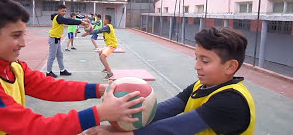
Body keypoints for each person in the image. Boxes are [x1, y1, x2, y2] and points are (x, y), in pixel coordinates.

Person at [0, 0, 145, 135]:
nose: (23, 43)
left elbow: (50, 87)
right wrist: (100, 113)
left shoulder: (13, 66)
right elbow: (34, 128)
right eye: (16, 35)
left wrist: (102, 89)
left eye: (23, 35)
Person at [84, 27, 256, 135]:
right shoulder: (202, 86)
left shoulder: (231, 100)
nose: (196, 66)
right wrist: (120, 127)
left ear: (230, 67)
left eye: (205, 61)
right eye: (196, 58)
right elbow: (165, 110)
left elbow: (174, 128)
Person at [46, 5, 86, 78]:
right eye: (62, 11)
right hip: (53, 38)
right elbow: (68, 21)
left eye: (65, 11)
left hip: (57, 39)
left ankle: (62, 70)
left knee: (60, 55)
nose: (64, 12)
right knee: (52, 56)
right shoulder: (58, 17)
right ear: (58, 10)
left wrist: (80, 22)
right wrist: (80, 22)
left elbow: (67, 20)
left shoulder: (60, 17)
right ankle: (48, 72)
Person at [82, 15, 117, 80]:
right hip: (109, 45)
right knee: (100, 53)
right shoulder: (107, 26)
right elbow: (99, 30)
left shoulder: (107, 26)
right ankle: (106, 68)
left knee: (102, 57)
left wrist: (88, 33)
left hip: (112, 45)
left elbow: (98, 30)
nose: (103, 21)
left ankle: (110, 73)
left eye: (104, 20)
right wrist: (90, 30)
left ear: (107, 20)